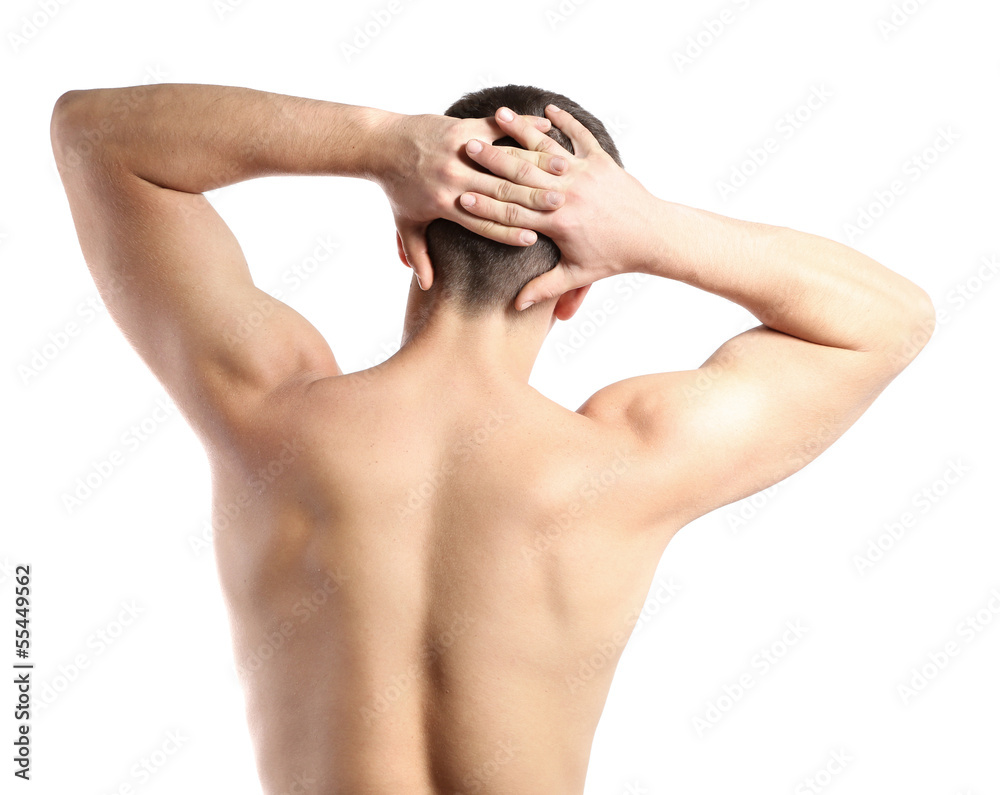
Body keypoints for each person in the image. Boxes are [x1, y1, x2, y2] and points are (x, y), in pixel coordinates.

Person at [51, 82, 934, 794]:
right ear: (579, 287)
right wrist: (648, 230)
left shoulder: (270, 411)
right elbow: (890, 321)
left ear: (409, 241)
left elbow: (95, 136)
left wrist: (380, 144)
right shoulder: (628, 463)